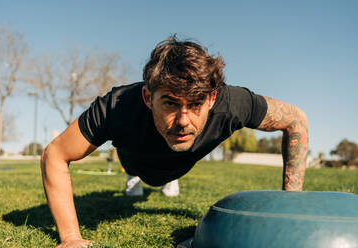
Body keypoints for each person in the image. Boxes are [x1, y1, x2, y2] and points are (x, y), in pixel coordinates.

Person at [41, 35, 308, 248]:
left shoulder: (233, 104)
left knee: (174, 158)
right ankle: (131, 177)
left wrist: (291, 205)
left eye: (195, 104)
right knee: (135, 169)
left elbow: (295, 119)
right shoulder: (116, 108)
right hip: (134, 159)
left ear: (212, 98)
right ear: (148, 98)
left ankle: (171, 175)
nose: (183, 120)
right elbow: (55, 154)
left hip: (181, 161)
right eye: (170, 103)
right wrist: (71, 237)